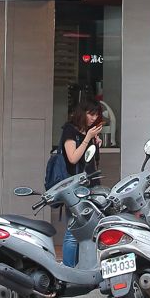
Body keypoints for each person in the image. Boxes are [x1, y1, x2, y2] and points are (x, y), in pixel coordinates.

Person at [58, 100, 104, 265]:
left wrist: (95, 143)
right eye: (91, 114)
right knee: (73, 233)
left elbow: (90, 161)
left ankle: (82, 267)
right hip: (75, 189)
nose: (94, 118)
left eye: (96, 115)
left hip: (91, 186)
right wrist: (88, 138)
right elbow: (73, 158)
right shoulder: (70, 130)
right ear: (82, 113)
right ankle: (68, 271)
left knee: (90, 230)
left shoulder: (88, 132)